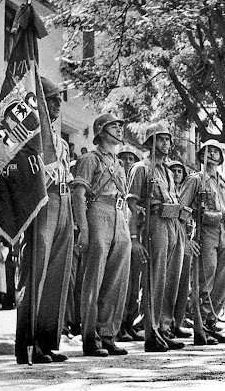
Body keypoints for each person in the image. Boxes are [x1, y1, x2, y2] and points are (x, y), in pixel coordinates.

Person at [15, 77, 74, 364]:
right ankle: (28, 344)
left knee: (57, 274)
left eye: (58, 99)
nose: (57, 104)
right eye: (51, 98)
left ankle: (47, 341)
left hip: (63, 201)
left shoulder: (60, 140)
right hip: (43, 202)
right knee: (36, 272)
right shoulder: (32, 136)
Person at [71, 113, 131, 357]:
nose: (118, 129)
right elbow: (78, 194)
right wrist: (83, 228)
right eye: (113, 126)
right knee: (94, 278)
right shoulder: (89, 159)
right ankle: (90, 337)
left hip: (119, 215)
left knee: (116, 279)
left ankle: (108, 334)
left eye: (119, 125)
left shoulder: (118, 163)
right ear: (100, 131)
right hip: (98, 212)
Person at [128, 122, 187, 351]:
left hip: (172, 224)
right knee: (155, 277)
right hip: (153, 225)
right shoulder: (141, 168)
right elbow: (132, 204)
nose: (165, 143)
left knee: (171, 278)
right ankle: (151, 332)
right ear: (150, 142)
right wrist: (134, 238)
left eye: (168, 139)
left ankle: (164, 328)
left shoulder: (168, 172)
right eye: (160, 139)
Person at [179, 139, 225, 343]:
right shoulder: (195, 180)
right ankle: (200, 324)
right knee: (206, 279)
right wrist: (186, 238)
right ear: (201, 155)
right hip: (205, 231)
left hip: (224, 231)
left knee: (222, 281)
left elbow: (224, 207)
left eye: (216, 151)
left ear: (221, 158)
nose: (212, 154)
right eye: (208, 151)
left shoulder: (224, 182)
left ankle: (211, 321)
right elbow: (183, 210)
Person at [115, 144, 144, 343]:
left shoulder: (135, 186)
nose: (126, 163)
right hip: (119, 237)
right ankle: (117, 326)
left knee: (134, 286)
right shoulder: (116, 181)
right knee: (120, 286)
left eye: (130, 159)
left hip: (135, 240)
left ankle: (128, 323)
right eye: (122, 159)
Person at [167, 159, 193, 339]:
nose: (176, 174)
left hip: (185, 237)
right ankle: (165, 323)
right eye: (173, 170)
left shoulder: (185, 192)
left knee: (183, 283)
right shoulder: (167, 192)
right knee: (169, 281)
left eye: (179, 171)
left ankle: (178, 320)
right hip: (170, 234)